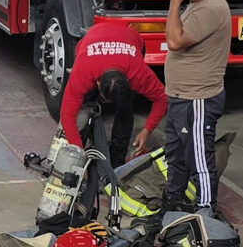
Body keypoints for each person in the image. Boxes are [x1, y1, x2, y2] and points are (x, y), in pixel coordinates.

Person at [159, 0, 232, 215]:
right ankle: (173, 200)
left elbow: (175, 41)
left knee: (198, 158)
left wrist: (175, 1)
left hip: (197, 98)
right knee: (176, 153)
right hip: (181, 95)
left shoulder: (210, 9)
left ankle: (205, 210)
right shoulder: (199, 2)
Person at [61, 20, 166, 157]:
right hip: (94, 35)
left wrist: (147, 130)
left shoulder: (137, 72)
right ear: (97, 82)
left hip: (130, 37)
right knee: (84, 102)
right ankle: (87, 137)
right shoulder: (83, 71)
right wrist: (77, 153)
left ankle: (118, 155)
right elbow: (67, 115)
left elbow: (162, 98)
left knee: (125, 107)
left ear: (128, 81)